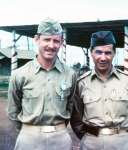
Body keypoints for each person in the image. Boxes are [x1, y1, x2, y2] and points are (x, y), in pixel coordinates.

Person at [7, 17, 77, 150]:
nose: (51, 45)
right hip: (28, 140)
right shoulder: (20, 74)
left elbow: (70, 107)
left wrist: (58, 129)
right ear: (36, 39)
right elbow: (12, 111)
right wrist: (29, 131)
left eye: (56, 40)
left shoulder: (70, 74)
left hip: (60, 139)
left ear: (62, 42)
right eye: (46, 39)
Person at [70, 31, 128, 150]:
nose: (103, 58)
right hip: (91, 144)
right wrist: (88, 137)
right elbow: (77, 120)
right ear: (91, 52)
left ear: (114, 53)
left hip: (122, 144)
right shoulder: (82, 83)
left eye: (108, 53)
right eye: (98, 52)